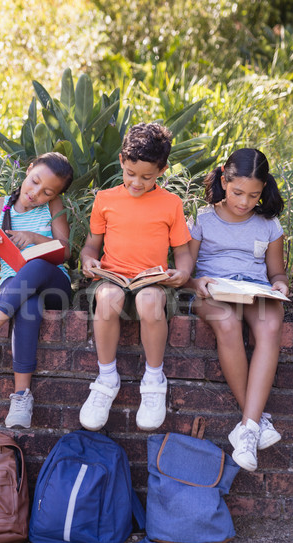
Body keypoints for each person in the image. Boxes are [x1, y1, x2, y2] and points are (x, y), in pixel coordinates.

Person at [80, 122, 192, 432]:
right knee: (108, 298)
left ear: (162, 170)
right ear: (121, 161)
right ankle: (106, 378)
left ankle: (154, 380)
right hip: (111, 278)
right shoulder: (105, 199)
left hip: (152, 281)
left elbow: (182, 253)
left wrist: (181, 273)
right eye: (131, 174)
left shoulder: (171, 204)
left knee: (149, 300)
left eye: (147, 177)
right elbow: (92, 244)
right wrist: (89, 260)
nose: (136, 183)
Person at [0, 152, 73, 429]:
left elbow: (66, 250)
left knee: (36, 265)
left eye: (47, 192)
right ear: (28, 170)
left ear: (55, 195)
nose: (36, 193)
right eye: (34, 182)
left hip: (54, 284)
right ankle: (21, 397)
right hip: (15, 286)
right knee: (28, 306)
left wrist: (33, 238)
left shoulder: (53, 206)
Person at [188, 148, 289, 471]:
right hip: (214, 289)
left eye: (254, 195)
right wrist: (195, 284)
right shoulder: (202, 218)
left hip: (255, 289)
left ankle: (247, 427)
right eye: (237, 193)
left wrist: (281, 285)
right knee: (228, 324)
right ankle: (256, 422)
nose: (245, 202)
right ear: (223, 179)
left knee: (271, 326)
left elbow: (277, 273)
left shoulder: (268, 224)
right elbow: (185, 271)